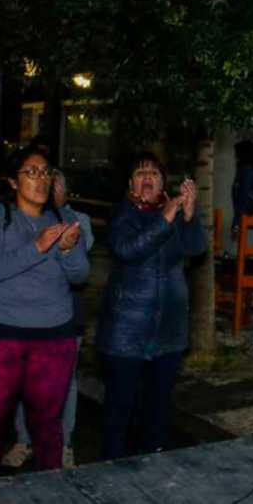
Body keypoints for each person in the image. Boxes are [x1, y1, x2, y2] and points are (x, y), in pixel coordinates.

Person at [0, 149, 88, 479]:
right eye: (31, 172)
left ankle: (47, 489)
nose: (41, 179)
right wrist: (36, 247)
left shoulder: (63, 217)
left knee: (48, 424)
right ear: (12, 181)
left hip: (53, 337)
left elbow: (80, 276)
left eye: (46, 172)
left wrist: (67, 250)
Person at [95, 153, 206, 460]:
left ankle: (153, 463)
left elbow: (196, 248)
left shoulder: (172, 211)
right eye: (140, 172)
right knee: (121, 409)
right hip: (126, 330)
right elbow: (128, 249)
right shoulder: (122, 213)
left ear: (163, 183)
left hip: (169, 328)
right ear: (130, 183)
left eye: (154, 173)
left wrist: (189, 215)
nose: (147, 178)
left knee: (158, 408)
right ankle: (111, 467)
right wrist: (165, 219)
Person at [3, 167, 95, 470]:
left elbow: (79, 264)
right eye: (43, 180)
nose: (48, 187)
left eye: (55, 184)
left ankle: (63, 443)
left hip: (66, 317)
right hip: (26, 315)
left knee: (65, 382)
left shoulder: (78, 221)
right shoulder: (21, 219)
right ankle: (24, 440)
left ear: (65, 191)